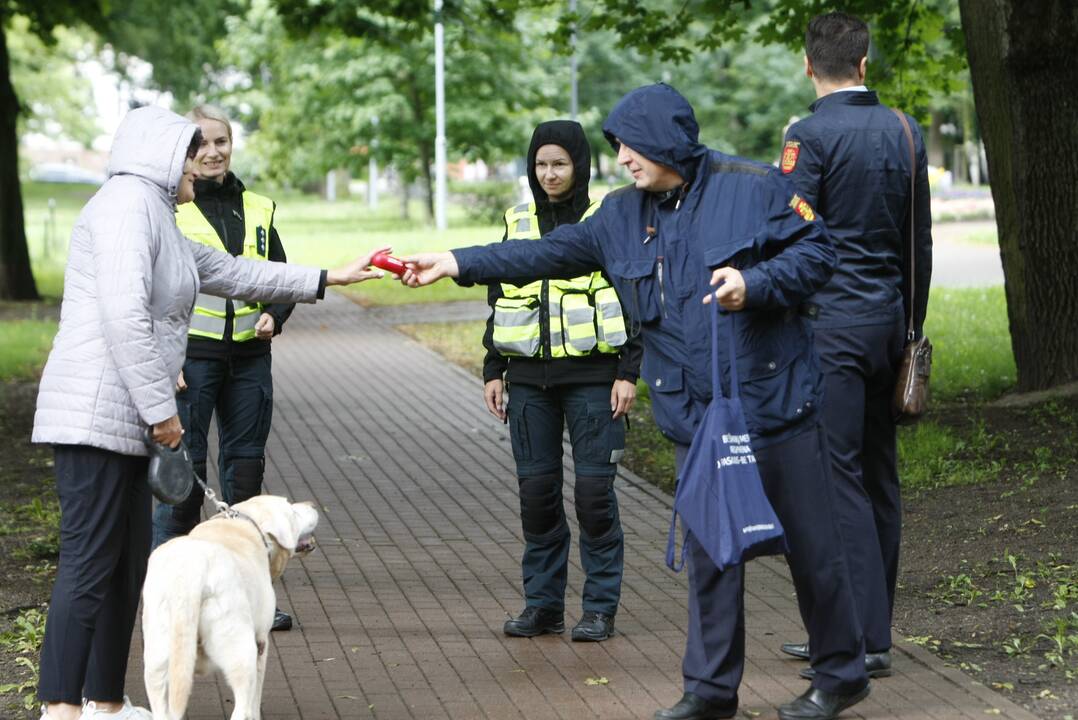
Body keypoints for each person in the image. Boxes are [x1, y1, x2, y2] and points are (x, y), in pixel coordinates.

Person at [401, 84, 870, 720]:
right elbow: (543, 253)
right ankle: (709, 692)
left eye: (630, 144)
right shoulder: (620, 214)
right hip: (696, 416)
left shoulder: (753, 185)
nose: (620, 158)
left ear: (668, 140)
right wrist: (455, 261)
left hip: (773, 402)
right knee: (711, 554)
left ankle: (841, 674)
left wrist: (754, 283)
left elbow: (819, 253)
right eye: (617, 146)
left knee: (811, 547)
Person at [31, 105, 385, 720]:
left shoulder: (161, 218)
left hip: (123, 421)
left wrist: (330, 276)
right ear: (162, 154)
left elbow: (228, 269)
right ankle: (62, 709)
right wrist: (160, 409)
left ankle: (107, 705)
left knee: (123, 568)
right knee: (89, 566)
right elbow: (123, 316)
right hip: (95, 417)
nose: (204, 160)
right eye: (192, 150)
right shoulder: (124, 208)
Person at [776, 12, 932, 679]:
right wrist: (911, 332)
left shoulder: (805, 138)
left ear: (808, 67)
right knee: (880, 477)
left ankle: (855, 640)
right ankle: (872, 631)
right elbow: (917, 240)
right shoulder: (905, 130)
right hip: (888, 325)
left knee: (835, 482)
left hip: (829, 330)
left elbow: (788, 227)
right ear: (865, 65)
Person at [484, 120, 642, 642]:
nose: (549, 174)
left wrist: (628, 371)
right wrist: (493, 369)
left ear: (580, 165)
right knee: (538, 496)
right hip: (528, 381)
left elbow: (634, 297)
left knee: (594, 497)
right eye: (541, 164)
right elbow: (497, 298)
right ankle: (544, 606)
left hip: (595, 378)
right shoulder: (518, 219)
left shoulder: (607, 219)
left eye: (560, 164)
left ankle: (599, 608)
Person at [151, 104, 296, 631]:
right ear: (185, 152)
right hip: (193, 363)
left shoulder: (258, 206)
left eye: (222, 142)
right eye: (201, 144)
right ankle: (168, 597)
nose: (213, 152)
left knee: (246, 479)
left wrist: (274, 317)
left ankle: (251, 598)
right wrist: (167, 362)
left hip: (249, 362)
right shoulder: (168, 207)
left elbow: (282, 277)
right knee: (183, 483)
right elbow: (150, 292)